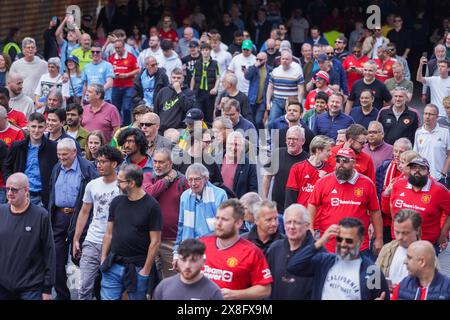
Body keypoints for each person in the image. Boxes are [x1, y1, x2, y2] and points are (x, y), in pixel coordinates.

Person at [100, 164, 162, 300]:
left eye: (120, 181)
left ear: (132, 183)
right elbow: (108, 233)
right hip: (113, 264)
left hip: (138, 268)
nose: (117, 184)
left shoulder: (152, 206)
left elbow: (155, 241)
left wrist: (145, 270)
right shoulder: (116, 202)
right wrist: (103, 258)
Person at [287, 218, 390, 300]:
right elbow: (293, 266)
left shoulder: (371, 271)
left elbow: (381, 296)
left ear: (361, 241)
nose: (343, 244)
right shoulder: (325, 261)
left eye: (349, 241)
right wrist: (320, 242)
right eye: (339, 239)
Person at [309, 148, 383, 257]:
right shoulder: (323, 182)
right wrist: (310, 228)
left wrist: (379, 238)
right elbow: (312, 204)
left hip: (358, 246)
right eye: (338, 160)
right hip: (329, 246)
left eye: (345, 161)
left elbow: (375, 212)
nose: (341, 164)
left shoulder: (367, 184)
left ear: (354, 162)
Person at [48, 138, 98, 300]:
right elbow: (51, 192)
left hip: (80, 217)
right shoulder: (57, 167)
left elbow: (95, 196)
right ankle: (62, 295)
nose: (62, 158)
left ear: (74, 152)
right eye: (59, 154)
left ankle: (92, 294)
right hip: (59, 218)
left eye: (65, 155)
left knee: (82, 259)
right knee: (55, 260)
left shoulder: (87, 168)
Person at [72, 145, 123, 300]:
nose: (99, 165)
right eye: (97, 161)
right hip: (92, 240)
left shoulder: (123, 185)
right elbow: (84, 212)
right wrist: (76, 238)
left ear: (114, 164)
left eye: (103, 161)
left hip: (116, 242)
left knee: (111, 288)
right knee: (84, 287)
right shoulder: (92, 185)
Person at [200, 199, 273, 299]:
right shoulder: (201, 244)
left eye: (224, 219)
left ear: (238, 223)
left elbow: (265, 289)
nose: (218, 223)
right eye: (217, 218)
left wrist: (235, 294)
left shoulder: (252, 252)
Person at [0, 173, 55, 300]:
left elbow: (49, 252)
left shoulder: (41, 216)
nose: (9, 193)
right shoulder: (1, 212)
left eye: (14, 189)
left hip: (31, 287)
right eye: (7, 189)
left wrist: (47, 288)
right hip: (3, 286)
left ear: (26, 190)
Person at [381, 157, 450, 253]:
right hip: (398, 242)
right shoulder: (398, 185)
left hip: (425, 245)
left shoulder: (439, 190)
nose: (417, 171)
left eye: (422, 168)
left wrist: (443, 234)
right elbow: (391, 208)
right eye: (413, 168)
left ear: (428, 172)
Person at [142, 148, 189, 279]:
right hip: (149, 238)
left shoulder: (182, 181)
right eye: (155, 161)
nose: (156, 165)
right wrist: (167, 179)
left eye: (161, 162)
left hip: (172, 240)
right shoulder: (147, 176)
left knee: (172, 279)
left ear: (170, 163)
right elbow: (149, 194)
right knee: (146, 280)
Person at [6, 112, 58, 208]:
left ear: (45, 127)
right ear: (28, 126)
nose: (36, 130)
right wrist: (12, 186)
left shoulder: (53, 147)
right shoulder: (17, 146)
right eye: (33, 126)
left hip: (42, 197)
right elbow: (7, 167)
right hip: (20, 194)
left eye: (40, 127)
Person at [173, 163, 227, 253]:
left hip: (213, 246)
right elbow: (181, 225)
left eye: (197, 179)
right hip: (189, 247)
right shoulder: (185, 196)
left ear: (206, 179)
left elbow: (223, 226)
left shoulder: (220, 194)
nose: (193, 183)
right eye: (190, 180)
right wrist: (176, 251)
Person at [266, 204, 315, 300]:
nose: (292, 227)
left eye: (297, 222)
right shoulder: (275, 249)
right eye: (288, 222)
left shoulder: (317, 254)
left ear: (307, 226)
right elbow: (266, 284)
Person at [153, 238, 223, 300]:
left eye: (193, 260)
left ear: (203, 262)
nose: (187, 266)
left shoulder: (213, 292)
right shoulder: (163, 287)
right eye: (183, 260)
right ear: (177, 260)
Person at [262, 126, 309, 213]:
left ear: (303, 141)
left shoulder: (308, 160)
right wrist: (264, 199)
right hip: (277, 208)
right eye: (289, 139)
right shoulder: (277, 153)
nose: (291, 142)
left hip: (298, 209)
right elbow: (267, 177)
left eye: (295, 139)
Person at [376, 209, 422, 287]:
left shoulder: (427, 255)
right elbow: (374, 279)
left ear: (417, 230)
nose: (400, 237)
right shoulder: (387, 249)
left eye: (405, 233)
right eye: (397, 232)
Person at [285, 135, 334, 208]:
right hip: (302, 215)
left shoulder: (330, 170)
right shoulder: (297, 168)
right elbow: (290, 196)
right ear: (318, 150)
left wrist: (323, 180)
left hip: (321, 216)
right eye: (328, 150)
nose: (330, 153)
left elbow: (330, 196)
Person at [266, 50, 304, 128]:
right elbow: (270, 88)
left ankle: (285, 139)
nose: (285, 61)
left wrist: (299, 103)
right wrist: (268, 102)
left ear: (291, 60)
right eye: (283, 59)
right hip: (277, 101)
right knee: (271, 122)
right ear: (280, 60)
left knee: (288, 123)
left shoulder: (297, 73)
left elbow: (301, 89)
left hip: (291, 101)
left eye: (287, 59)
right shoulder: (275, 71)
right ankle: (273, 139)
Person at [414, 104, 450, 185]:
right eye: (425, 113)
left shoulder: (445, 132)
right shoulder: (418, 132)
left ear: (437, 116)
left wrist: (443, 173)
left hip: (439, 178)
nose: (427, 116)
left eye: (431, 114)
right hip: (422, 177)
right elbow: (416, 155)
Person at [153, 68, 196, 133]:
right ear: (170, 78)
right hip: (162, 130)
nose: (176, 80)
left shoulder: (188, 93)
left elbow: (188, 108)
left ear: (183, 79)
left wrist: (179, 92)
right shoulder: (163, 91)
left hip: (179, 130)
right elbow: (156, 110)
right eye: (174, 77)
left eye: (178, 78)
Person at [109, 39, 139, 125]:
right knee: (115, 108)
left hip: (128, 86)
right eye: (116, 48)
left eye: (119, 47)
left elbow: (137, 69)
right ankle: (117, 125)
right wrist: (114, 74)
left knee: (127, 107)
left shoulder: (131, 57)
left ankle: (127, 125)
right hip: (116, 85)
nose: (117, 49)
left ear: (124, 47)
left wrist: (127, 75)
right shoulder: (112, 58)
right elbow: (109, 70)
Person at [219, 131, 257, 198]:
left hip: (238, 205)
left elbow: (253, 191)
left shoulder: (249, 165)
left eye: (237, 145)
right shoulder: (217, 160)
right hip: (218, 204)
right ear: (226, 145)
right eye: (231, 144)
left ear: (242, 147)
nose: (233, 148)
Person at [190, 43, 220, 125]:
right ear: (201, 51)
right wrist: (191, 90)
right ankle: (198, 133)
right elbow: (193, 77)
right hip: (199, 92)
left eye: (207, 50)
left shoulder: (215, 63)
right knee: (198, 112)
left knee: (209, 113)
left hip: (210, 92)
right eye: (203, 50)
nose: (205, 52)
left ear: (210, 51)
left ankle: (208, 132)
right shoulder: (197, 63)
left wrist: (215, 88)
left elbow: (218, 78)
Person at [244, 52, 271, 129]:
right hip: (252, 99)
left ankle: (261, 138)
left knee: (258, 121)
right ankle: (255, 139)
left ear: (265, 60)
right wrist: (254, 67)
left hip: (263, 100)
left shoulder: (270, 70)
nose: (258, 61)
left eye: (261, 60)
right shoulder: (252, 68)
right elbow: (247, 76)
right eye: (257, 59)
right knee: (251, 121)